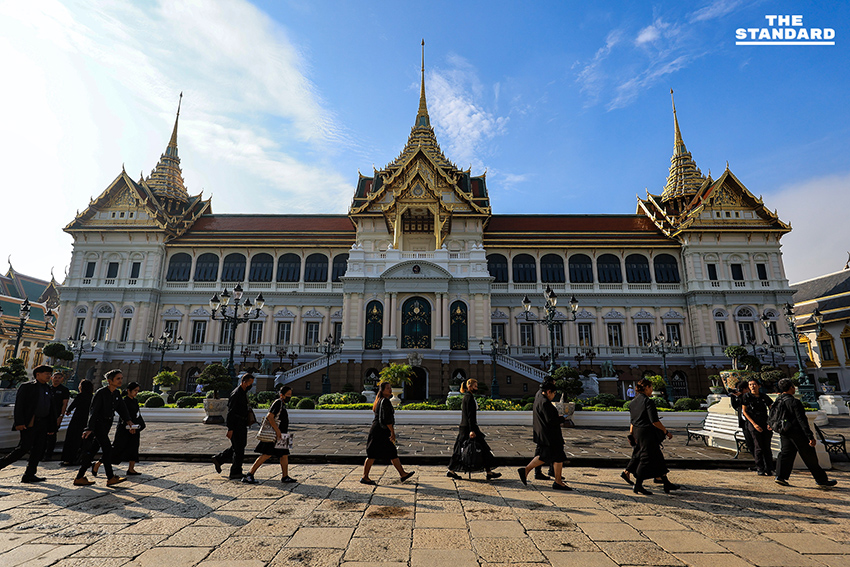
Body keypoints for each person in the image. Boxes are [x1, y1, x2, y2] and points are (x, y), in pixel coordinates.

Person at [773, 378, 837, 488]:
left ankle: (780, 476)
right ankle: (821, 480)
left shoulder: (778, 401)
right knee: (809, 456)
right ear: (791, 388)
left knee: (786, 454)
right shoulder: (794, 402)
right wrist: (810, 436)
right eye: (793, 386)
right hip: (797, 433)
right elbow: (801, 420)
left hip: (784, 432)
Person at [74, 369, 134, 487]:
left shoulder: (116, 393)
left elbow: (122, 409)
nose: (120, 380)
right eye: (118, 378)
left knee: (92, 452)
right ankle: (110, 477)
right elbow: (94, 411)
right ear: (109, 381)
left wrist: (129, 421)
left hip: (107, 424)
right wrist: (90, 428)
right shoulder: (101, 393)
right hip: (98, 424)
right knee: (107, 449)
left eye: (121, 378)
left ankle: (80, 477)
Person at [0, 364, 54, 482]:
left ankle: (29, 474)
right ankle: (1, 464)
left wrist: (51, 426)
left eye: (50, 374)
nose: (49, 376)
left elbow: (51, 408)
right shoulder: (27, 387)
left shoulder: (48, 388)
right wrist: (19, 422)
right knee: (24, 448)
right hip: (30, 422)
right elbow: (19, 406)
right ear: (38, 374)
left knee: (39, 449)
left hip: (43, 423)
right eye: (46, 374)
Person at [627, 378, 679, 495]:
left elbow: (632, 421)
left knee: (657, 456)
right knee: (646, 458)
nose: (652, 390)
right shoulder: (648, 402)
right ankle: (638, 484)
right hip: (647, 432)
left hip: (637, 431)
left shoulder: (633, 402)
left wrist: (631, 434)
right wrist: (666, 432)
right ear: (646, 388)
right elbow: (654, 421)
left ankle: (666, 483)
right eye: (651, 388)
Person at [517, 381, 571, 491]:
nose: (553, 396)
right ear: (548, 392)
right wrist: (562, 418)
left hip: (544, 433)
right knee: (549, 456)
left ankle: (557, 481)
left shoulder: (538, 397)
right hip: (550, 435)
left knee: (552, 456)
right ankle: (557, 481)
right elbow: (551, 420)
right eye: (553, 394)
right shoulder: (545, 403)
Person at [360, 381, 415, 485]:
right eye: (388, 388)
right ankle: (365, 476)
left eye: (390, 388)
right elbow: (387, 419)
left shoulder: (379, 400)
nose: (390, 390)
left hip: (379, 429)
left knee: (392, 452)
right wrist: (392, 432)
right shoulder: (384, 401)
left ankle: (403, 474)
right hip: (379, 431)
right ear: (382, 390)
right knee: (372, 453)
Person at [446, 378, 500, 480]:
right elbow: (470, 416)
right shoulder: (469, 398)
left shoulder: (467, 396)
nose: (477, 388)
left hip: (466, 426)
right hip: (469, 427)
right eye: (475, 386)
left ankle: (488, 472)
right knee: (481, 448)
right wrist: (472, 430)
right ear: (469, 386)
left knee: (465, 449)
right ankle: (451, 470)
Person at [244, 385, 295, 484]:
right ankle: (249, 474)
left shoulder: (282, 404)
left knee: (284, 455)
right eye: (288, 395)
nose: (289, 397)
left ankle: (285, 476)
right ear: (282, 395)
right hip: (274, 434)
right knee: (266, 454)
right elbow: (270, 417)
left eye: (290, 395)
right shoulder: (278, 403)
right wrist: (277, 431)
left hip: (282, 434)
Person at [212, 373, 254, 480]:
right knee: (239, 449)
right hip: (236, 424)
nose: (251, 385)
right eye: (250, 383)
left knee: (238, 446)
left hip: (242, 423)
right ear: (244, 382)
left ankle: (219, 459)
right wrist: (230, 428)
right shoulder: (236, 394)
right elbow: (230, 413)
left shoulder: (243, 392)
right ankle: (235, 471)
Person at [110, 382, 145, 475]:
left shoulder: (134, 401)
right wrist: (128, 424)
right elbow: (123, 414)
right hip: (124, 427)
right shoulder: (124, 401)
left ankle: (131, 468)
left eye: (137, 391)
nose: (136, 392)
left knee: (133, 447)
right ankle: (99, 464)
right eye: (135, 390)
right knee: (117, 448)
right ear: (128, 391)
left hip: (134, 427)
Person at [742, 378, 774, 476]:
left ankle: (769, 468)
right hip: (753, 423)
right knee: (758, 446)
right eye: (750, 384)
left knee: (767, 447)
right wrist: (754, 424)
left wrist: (770, 422)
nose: (753, 386)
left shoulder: (764, 397)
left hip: (765, 422)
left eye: (754, 384)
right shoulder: (746, 397)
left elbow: (772, 408)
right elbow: (744, 411)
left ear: (759, 386)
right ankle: (760, 467)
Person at [60, 380, 93, 466]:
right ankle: (82, 458)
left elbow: (73, 405)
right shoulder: (92, 397)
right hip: (87, 420)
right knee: (83, 440)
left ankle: (68, 459)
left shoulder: (80, 396)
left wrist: (68, 411)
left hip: (77, 419)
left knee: (72, 438)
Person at [43, 371, 70, 461]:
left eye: (59, 378)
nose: (57, 379)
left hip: (56, 415)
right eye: (55, 377)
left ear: (62, 379)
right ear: (52, 378)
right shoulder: (47, 388)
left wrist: (61, 416)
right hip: (45, 414)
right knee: (42, 435)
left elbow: (64, 404)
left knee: (52, 435)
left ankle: (48, 454)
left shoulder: (64, 390)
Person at [730, 381, 755, 462]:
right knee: (750, 444)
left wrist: (741, 396)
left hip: (752, 423)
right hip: (744, 423)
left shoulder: (751, 396)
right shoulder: (740, 397)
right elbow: (735, 406)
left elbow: (748, 404)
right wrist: (733, 396)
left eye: (741, 389)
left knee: (757, 445)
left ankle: (763, 464)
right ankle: (758, 463)